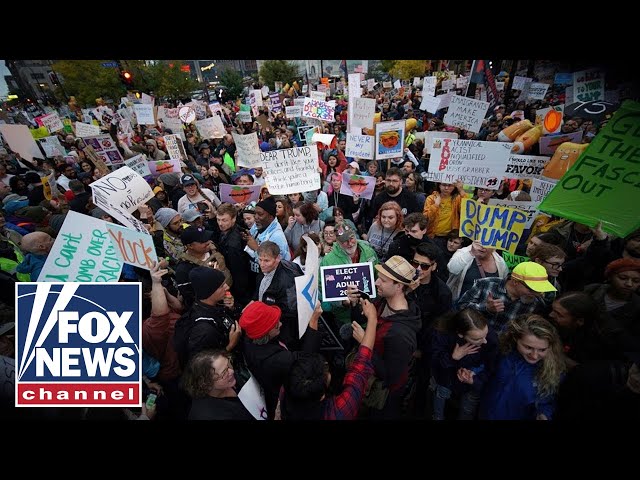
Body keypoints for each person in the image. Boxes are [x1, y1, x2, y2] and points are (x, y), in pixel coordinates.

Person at [278, 295, 378, 420]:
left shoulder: (287, 393)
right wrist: (373, 319)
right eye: (326, 372)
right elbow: (360, 369)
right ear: (322, 396)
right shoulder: (338, 413)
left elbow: (306, 358)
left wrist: (313, 321)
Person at [347, 256, 422, 419]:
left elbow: (390, 376)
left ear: (399, 286)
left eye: (382, 280)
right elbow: (361, 320)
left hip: (384, 401)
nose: (376, 283)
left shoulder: (401, 334)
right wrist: (355, 303)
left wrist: (364, 343)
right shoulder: (382, 301)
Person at [240, 300, 322, 419]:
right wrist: (314, 320)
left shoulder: (251, 336)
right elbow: (307, 359)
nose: (280, 324)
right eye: (275, 324)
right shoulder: (274, 360)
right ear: (265, 333)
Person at [479, 314, 566, 420]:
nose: (534, 355)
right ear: (516, 339)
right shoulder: (501, 353)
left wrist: (543, 414)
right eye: (528, 347)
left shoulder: (554, 372)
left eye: (542, 350)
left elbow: (548, 402)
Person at [430, 309, 498, 420]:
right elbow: (434, 360)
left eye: (485, 335)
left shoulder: (489, 337)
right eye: (477, 339)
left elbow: (492, 367)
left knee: (467, 409)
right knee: (440, 400)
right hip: (446, 379)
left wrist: (475, 378)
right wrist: (453, 358)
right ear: (460, 334)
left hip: (472, 381)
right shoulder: (442, 334)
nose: (485, 341)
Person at [456, 261, 554, 333]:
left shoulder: (537, 303)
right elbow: (460, 307)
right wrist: (485, 308)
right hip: (474, 341)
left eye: (540, 290)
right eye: (531, 289)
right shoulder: (486, 284)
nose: (537, 294)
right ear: (515, 282)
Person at [182, 349, 254, 420]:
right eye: (224, 373)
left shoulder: (232, 380)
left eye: (229, 365)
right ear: (206, 384)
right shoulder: (211, 416)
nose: (232, 371)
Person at [423, 181, 467, 251]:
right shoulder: (431, 198)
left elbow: (467, 209)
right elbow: (426, 218)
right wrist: (435, 205)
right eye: (444, 185)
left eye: (450, 185)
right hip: (433, 236)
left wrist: (461, 190)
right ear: (439, 185)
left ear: (454, 186)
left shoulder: (457, 199)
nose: (446, 188)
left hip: (450, 238)